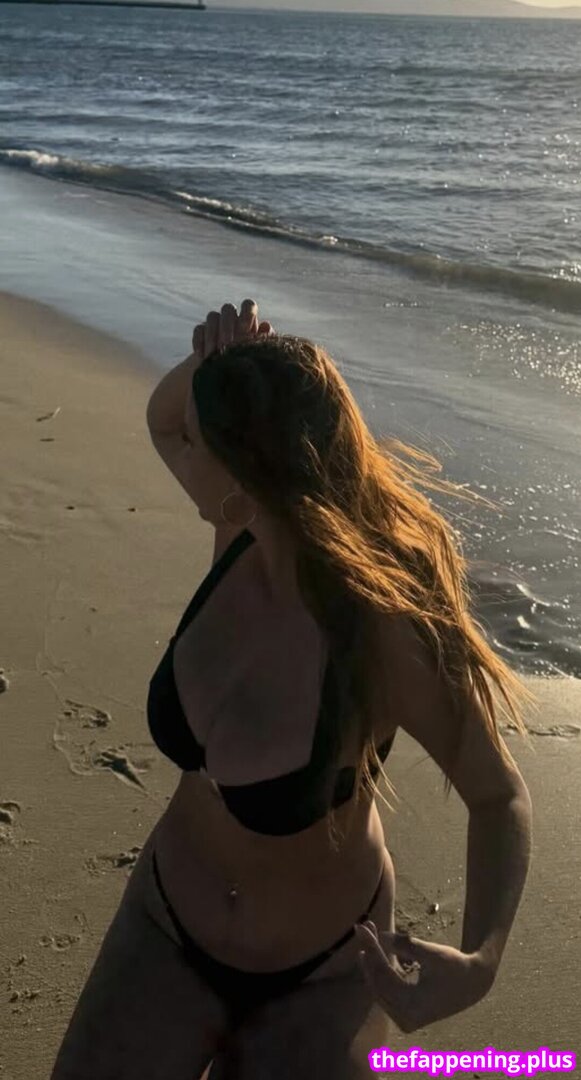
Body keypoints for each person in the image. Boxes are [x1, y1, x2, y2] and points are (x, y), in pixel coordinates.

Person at [50, 299, 534, 1079]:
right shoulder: (239, 533)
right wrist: (214, 360)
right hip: (163, 922)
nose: (180, 452)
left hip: (324, 973)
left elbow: (498, 796)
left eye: (200, 444)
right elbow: (164, 419)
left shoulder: (382, 630)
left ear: (245, 478)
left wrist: (480, 962)